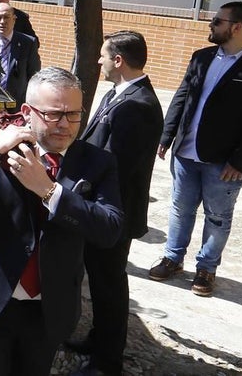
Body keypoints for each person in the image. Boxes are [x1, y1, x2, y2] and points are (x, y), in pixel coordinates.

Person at [0, 67, 124, 376]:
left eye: (73, 114)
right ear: (28, 112)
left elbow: (109, 230)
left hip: (50, 306)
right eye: (54, 115)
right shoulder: (5, 152)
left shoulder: (98, 163)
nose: (65, 126)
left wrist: (49, 190)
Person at [66, 31, 163, 376]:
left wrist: (84, 204)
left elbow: (117, 168)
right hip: (105, 209)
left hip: (113, 213)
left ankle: (108, 362)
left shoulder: (137, 106)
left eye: (103, 56)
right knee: (102, 280)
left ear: (118, 60)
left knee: (109, 285)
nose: (98, 61)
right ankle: (99, 339)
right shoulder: (122, 94)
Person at [151, 1, 242, 297]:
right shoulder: (201, 57)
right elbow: (182, 96)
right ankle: (173, 259)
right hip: (186, 153)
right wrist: (165, 136)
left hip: (225, 163)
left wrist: (239, 161)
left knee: (217, 216)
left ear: (236, 27)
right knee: (180, 209)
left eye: (216, 21)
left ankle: (206, 268)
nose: (211, 25)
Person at [0, 2, 40, 110]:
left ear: (14, 19)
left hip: (16, 107)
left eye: (6, 17)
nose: (2, 22)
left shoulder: (28, 43)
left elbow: (34, 76)